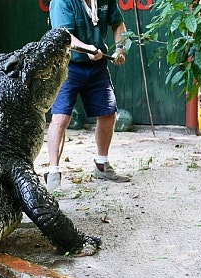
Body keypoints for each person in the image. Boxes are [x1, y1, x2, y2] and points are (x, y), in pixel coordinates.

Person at [44, 0, 130, 190]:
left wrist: (120, 49)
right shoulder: (62, 2)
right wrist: (88, 48)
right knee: (60, 117)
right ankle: (53, 171)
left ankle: (102, 164)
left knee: (108, 113)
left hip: (97, 66)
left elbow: (118, 24)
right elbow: (64, 37)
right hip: (67, 66)